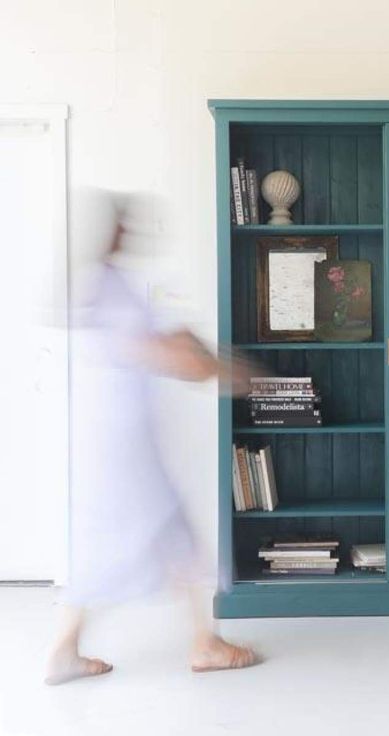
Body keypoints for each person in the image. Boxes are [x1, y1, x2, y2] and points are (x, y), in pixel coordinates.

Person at [45, 190, 256, 685]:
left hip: (113, 439)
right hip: (124, 443)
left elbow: (171, 338)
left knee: (140, 537)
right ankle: (204, 644)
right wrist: (225, 372)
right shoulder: (106, 288)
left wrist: (208, 357)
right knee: (165, 536)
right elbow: (161, 352)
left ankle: (66, 651)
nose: (131, 229)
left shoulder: (109, 284)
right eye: (123, 222)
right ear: (106, 231)